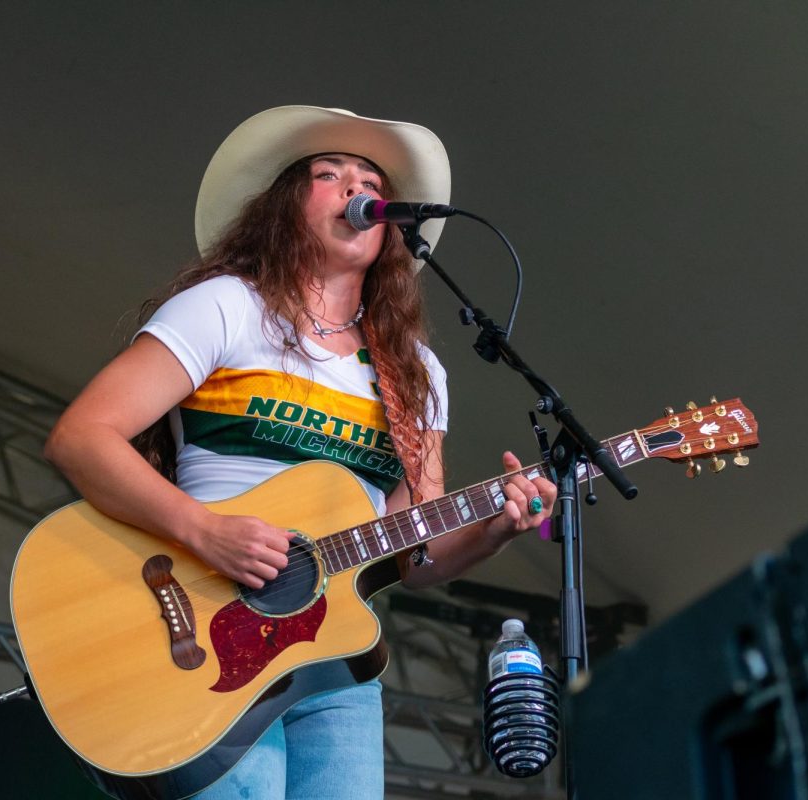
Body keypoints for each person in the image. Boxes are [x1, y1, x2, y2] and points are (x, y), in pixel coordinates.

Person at [44, 105, 557, 799]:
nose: (354, 187)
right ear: (288, 207)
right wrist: (207, 531)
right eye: (329, 173)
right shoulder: (226, 307)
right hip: (199, 623)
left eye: (369, 178)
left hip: (336, 658)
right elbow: (81, 437)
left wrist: (496, 528)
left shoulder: (415, 373)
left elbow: (415, 551)